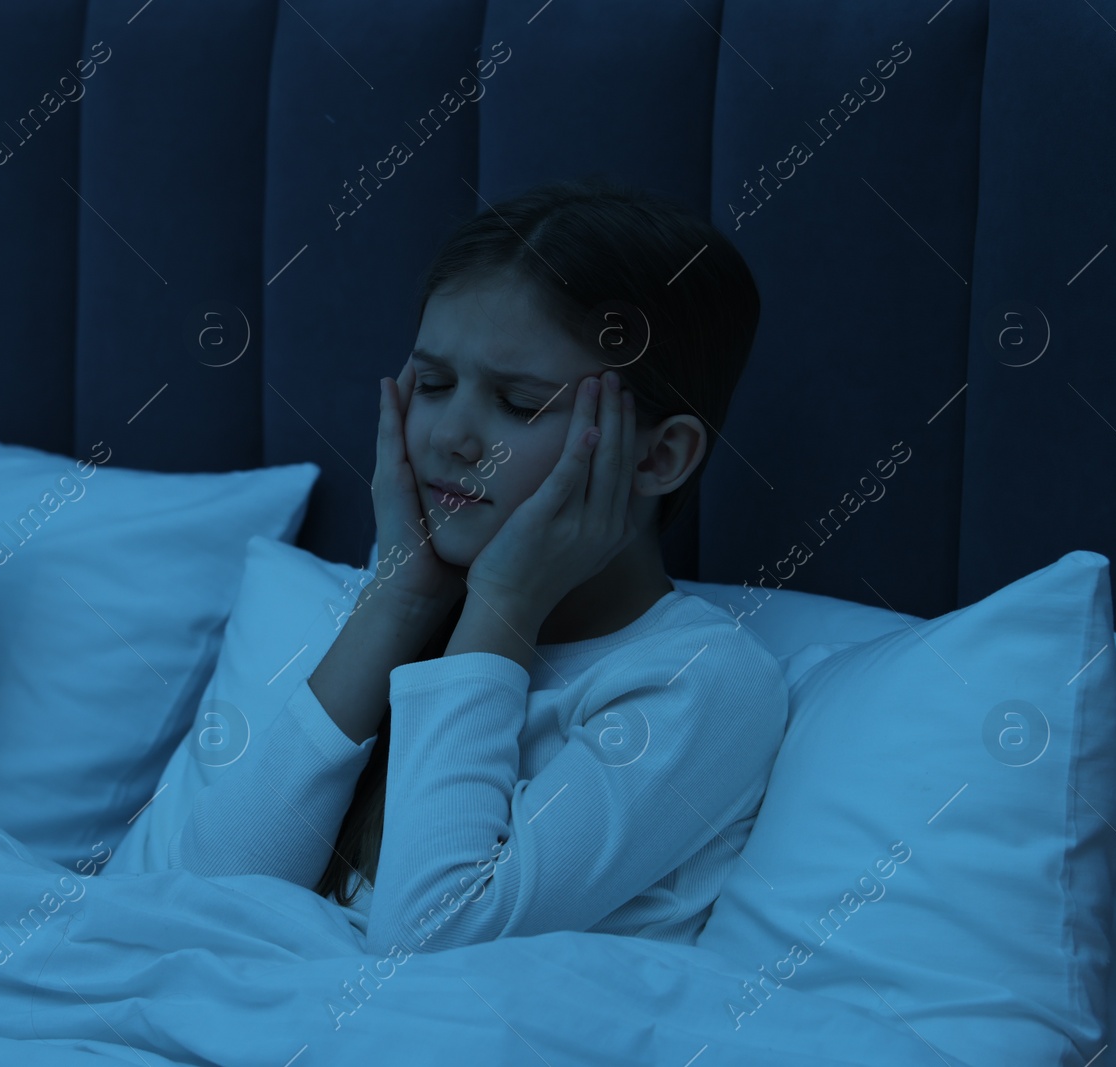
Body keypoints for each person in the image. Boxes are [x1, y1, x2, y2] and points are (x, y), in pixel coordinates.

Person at [169, 174, 790, 957]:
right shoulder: (417, 616)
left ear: (660, 455)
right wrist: (396, 599)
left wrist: (502, 609)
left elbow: (434, 944)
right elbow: (202, 898)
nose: (452, 436)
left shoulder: (700, 679)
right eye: (432, 384)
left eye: (520, 404)